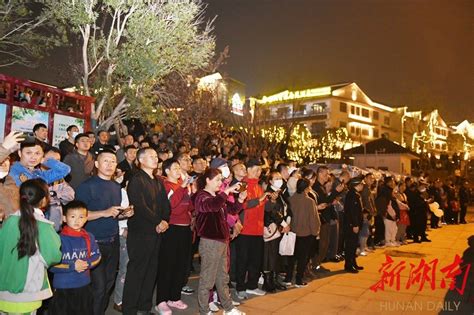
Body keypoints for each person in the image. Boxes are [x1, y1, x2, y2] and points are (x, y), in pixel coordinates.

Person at [76, 149, 134, 315]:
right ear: (96, 164)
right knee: (99, 287)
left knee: (108, 284)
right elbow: (78, 216)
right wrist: (104, 212)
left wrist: (125, 213)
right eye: (105, 161)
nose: (109, 165)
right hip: (93, 243)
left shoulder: (116, 187)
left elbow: (113, 213)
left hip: (113, 241)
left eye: (113, 162)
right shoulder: (87, 186)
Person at [0, 179, 62, 314]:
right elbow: (53, 257)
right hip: (26, 293)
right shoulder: (44, 226)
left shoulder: (9, 221)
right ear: (44, 200)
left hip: (3, 290)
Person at [122, 147, 170, 315]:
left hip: (157, 232)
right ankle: (129, 309)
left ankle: (144, 307)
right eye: (151, 156)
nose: (155, 159)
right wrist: (158, 221)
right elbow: (139, 205)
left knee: (151, 271)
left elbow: (165, 204)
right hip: (141, 232)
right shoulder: (136, 179)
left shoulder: (158, 180)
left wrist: (164, 221)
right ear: (140, 160)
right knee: (137, 271)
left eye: (156, 156)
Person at [194, 168, 247, 315]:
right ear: (207, 180)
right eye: (217, 180)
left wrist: (241, 199)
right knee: (207, 279)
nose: (220, 183)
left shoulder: (218, 196)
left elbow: (232, 209)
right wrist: (227, 191)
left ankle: (228, 308)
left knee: (222, 278)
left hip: (222, 240)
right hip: (210, 242)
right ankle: (204, 310)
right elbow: (211, 206)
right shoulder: (201, 196)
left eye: (221, 180)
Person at [49, 200, 102, 315]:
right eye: (72, 216)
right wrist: (73, 266)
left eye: (81, 217)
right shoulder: (58, 238)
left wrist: (87, 264)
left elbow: (97, 256)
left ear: (86, 218)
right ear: (64, 218)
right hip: (63, 287)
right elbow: (50, 265)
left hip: (83, 285)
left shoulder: (89, 237)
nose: (77, 220)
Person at [156, 159, 194, 314]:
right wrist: (182, 187)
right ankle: (161, 301)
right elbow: (171, 205)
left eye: (179, 167)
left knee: (181, 265)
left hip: (185, 230)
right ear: (167, 171)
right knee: (167, 265)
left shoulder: (182, 186)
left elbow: (189, 207)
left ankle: (174, 297)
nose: (179, 170)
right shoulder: (166, 186)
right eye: (175, 168)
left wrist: (189, 190)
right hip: (171, 230)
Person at [236, 158, 268, 299]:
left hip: (258, 229)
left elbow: (263, 208)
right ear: (248, 170)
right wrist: (259, 200)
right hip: (245, 230)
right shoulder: (242, 184)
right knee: (243, 260)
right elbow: (241, 204)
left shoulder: (259, 186)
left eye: (260, 170)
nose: (258, 172)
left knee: (256, 260)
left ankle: (252, 285)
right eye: (256, 169)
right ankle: (240, 287)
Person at [286, 178, 320, 287]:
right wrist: (316, 232)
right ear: (306, 188)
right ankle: (298, 280)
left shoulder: (290, 199)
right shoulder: (309, 201)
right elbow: (314, 219)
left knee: (291, 257)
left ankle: (288, 278)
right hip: (306, 233)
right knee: (302, 258)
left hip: (292, 232)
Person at [262, 171, 292, 292]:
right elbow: (272, 211)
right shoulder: (269, 193)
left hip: (279, 228)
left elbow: (286, 207)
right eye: (276, 178)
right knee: (269, 256)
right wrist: (283, 223)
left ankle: (274, 280)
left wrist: (287, 220)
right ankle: (267, 282)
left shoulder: (280, 193)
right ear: (270, 181)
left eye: (280, 178)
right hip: (271, 227)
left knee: (276, 256)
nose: (279, 180)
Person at [343, 175, 365, 273]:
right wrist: (355, 224)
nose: (363, 186)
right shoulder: (351, 195)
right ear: (357, 185)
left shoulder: (355, 194)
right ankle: (348, 265)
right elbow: (352, 212)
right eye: (361, 184)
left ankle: (353, 262)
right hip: (351, 225)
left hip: (355, 224)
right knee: (350, 245)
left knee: (353, 245)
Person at [0, 131, 23, 221]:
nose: (4, 163)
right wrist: (4, 148)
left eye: (7, 159)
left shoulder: (15, 183)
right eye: (2, 159)